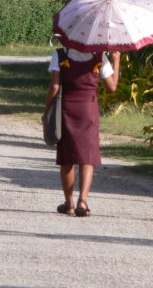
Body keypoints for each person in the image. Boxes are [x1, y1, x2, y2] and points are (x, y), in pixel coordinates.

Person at [43, 46, 120, 217]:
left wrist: (46, 111)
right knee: (88, 158)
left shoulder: (60, 54)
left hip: (66, 108)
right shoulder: (100, 57)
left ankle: (69, 203)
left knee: (66, 158)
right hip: (89, 110)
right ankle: (83, 201)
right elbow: (112, 87)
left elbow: (55, 87)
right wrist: (116, 60)